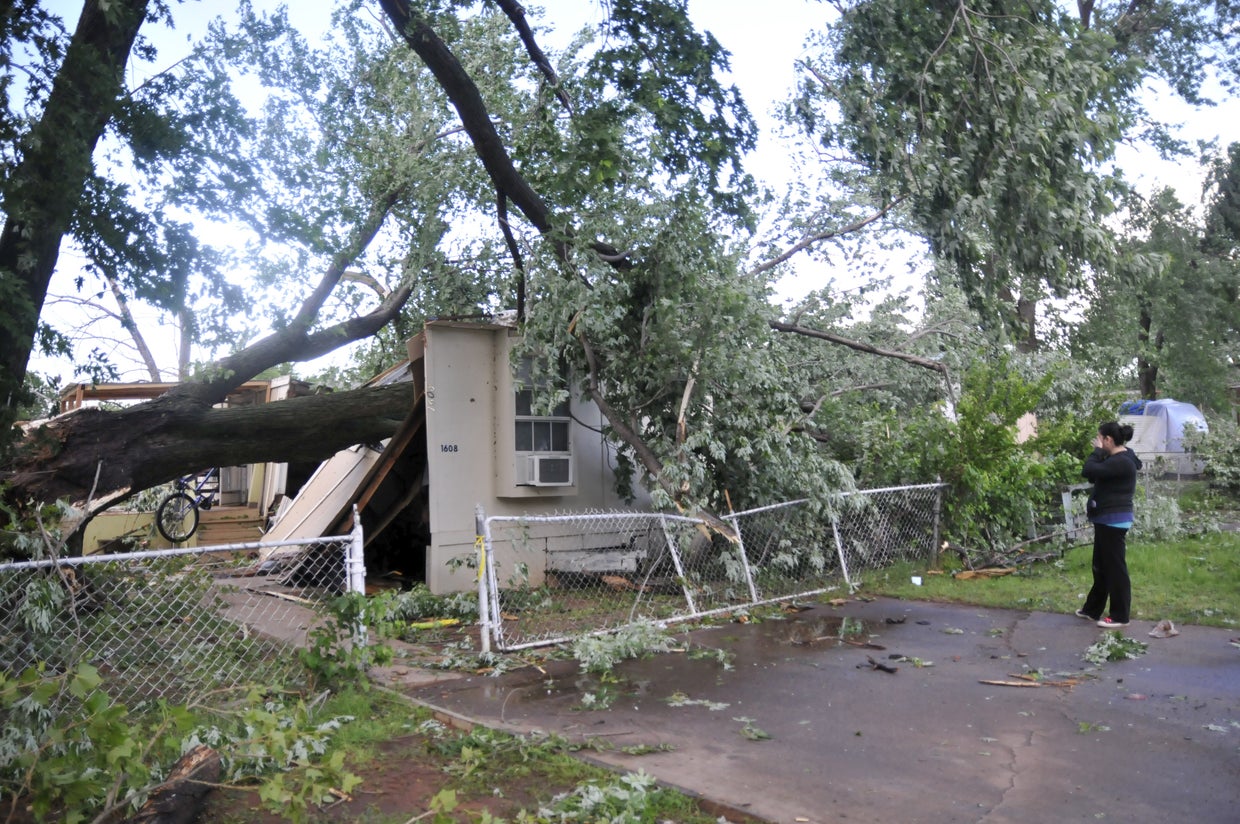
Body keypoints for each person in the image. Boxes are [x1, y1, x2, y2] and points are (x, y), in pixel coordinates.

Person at [1075, 421, 1142, 628]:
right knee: (1101, 567)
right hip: (1107, 520)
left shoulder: (1120, 462)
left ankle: (1120, 616)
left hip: (1114, 521)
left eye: (1100, 438)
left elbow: (1088, 470)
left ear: (1108, 440)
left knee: (1115, 569)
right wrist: (1102, 453)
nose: (1097, 442)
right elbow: (1098, 472)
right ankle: (1092, 609)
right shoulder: (1121, 457)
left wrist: (1096, 452)